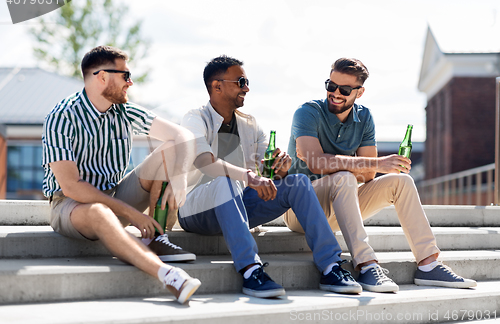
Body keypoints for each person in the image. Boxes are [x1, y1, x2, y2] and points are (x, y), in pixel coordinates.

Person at [284, 57, 477, 293]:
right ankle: (366, 265)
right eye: (330, 85)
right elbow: (314, 162)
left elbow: (368, 176)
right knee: (343, 177)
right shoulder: (307, 112)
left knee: (401, 181)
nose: (335, 93)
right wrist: (369, 163)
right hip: (299, 209)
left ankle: (428, 264)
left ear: (359, 92)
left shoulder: (364, 118)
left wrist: (347, 164)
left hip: (338, 203)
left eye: (344, 89)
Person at [178, 55, 362, 299]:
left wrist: (282, 168)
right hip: (195, 210)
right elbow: (204, 161)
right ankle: (250, 270)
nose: (247, 87)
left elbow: (269, 169)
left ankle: (331, 266)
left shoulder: (250, 125)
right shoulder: (195, 118)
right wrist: (250, 177)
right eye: (240, 81)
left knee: (297, 182)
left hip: (240, 203)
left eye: (247, 81)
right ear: (217, 86)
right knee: (225, 179)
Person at [41, 46, 201, 304]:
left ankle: (157, 237)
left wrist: (180, 176)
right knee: (99, 212)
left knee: (170, 149)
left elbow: (183, 135)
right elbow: (71, 186)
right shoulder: (62, 116)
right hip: (70, 206)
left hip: (113, 193)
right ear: (102, 77)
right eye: (125, 75)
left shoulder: (124, 111)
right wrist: (133, 213)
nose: (131, 82)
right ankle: (169, 276)